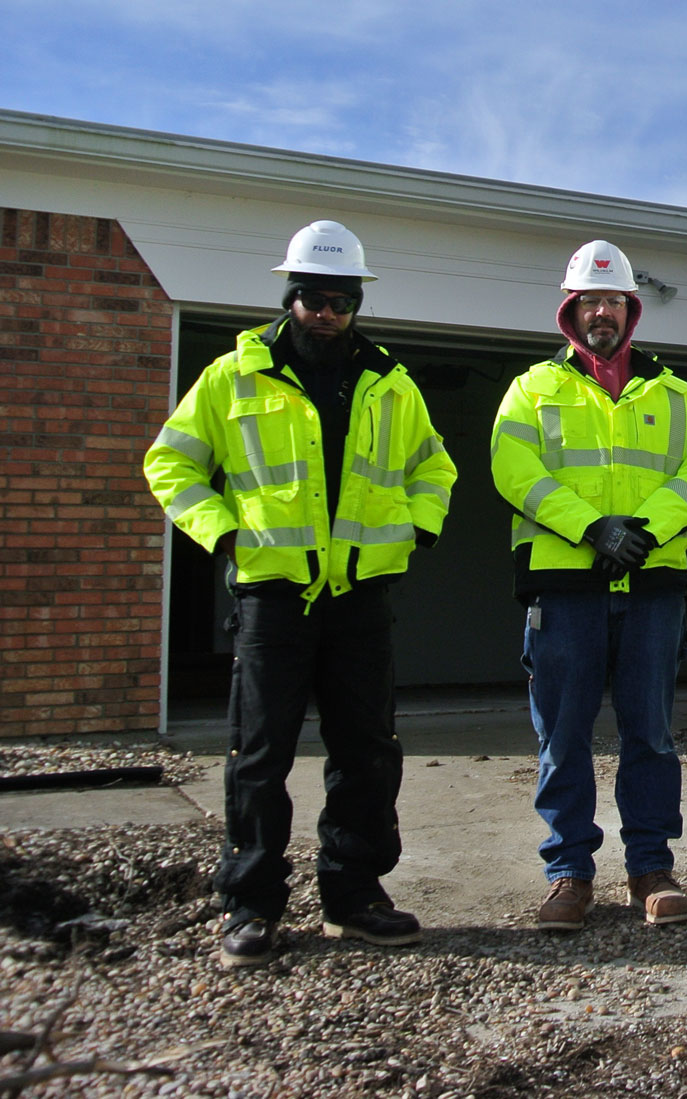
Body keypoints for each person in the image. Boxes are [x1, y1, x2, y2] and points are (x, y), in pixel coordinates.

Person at [143, 220, 456, 968]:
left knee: (368, 752)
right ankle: (250, 904)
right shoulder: (233, 376)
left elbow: (434, 468)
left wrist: (416, 532)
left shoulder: (392, 384)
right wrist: (222, 533)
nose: (325, 311)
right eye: (312, 296)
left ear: (357, 302)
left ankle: (355, 896)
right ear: (290, 295)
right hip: (273, 599)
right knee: (259, 755)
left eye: (340, 299)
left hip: (359, 602)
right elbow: (171, 464)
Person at [491, 240, 687, 933]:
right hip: (565, 586)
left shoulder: (675, 393)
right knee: (563, 734)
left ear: (632, 310)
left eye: (612, 301)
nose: (601, 312)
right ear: (570, 311)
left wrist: (645, 529)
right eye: (588, 301)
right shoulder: (533, 389)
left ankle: (650, 868)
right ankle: (569, 873)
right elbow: (513, 467)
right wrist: (593, 528)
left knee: (649, 732)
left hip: (651, 585)